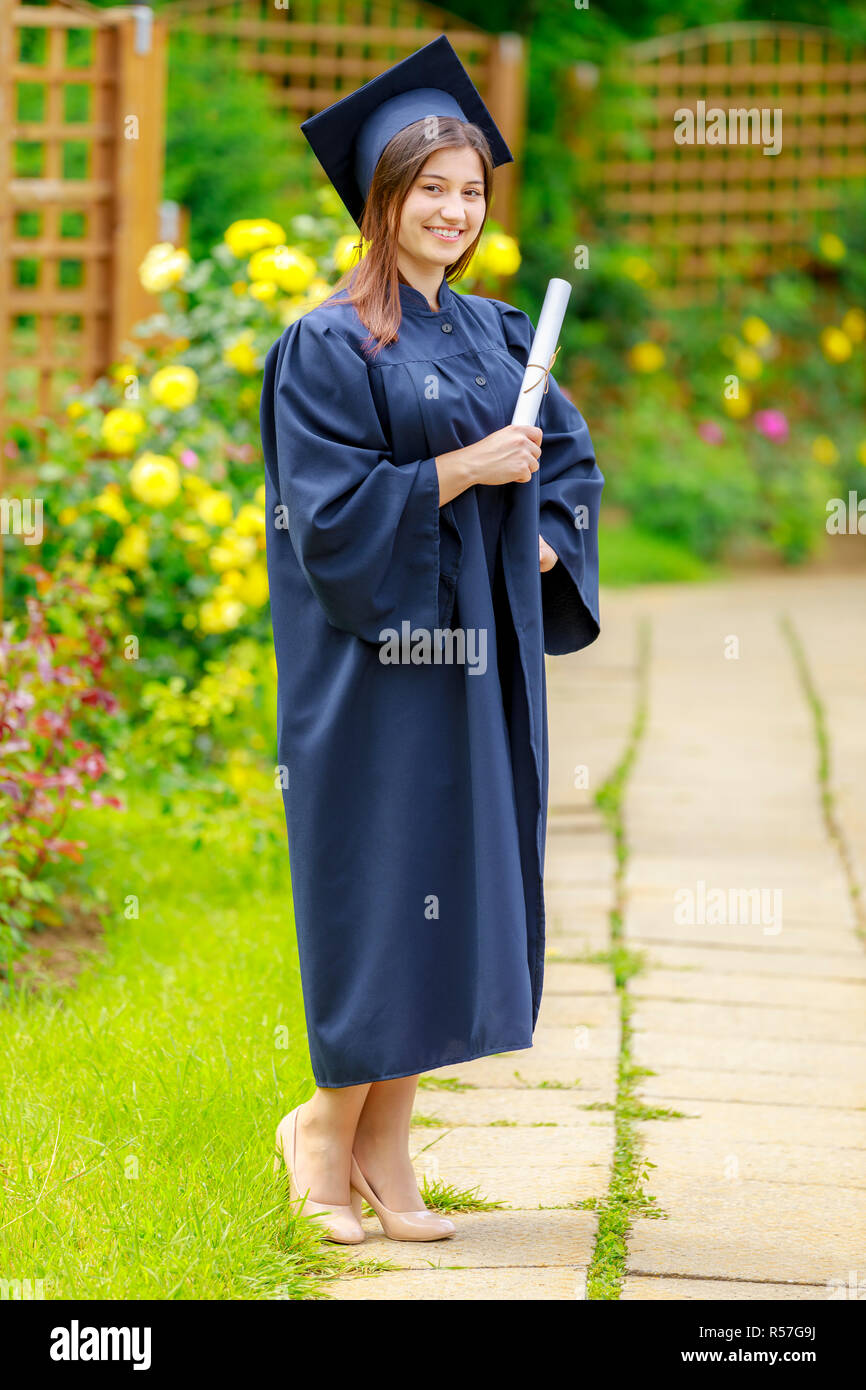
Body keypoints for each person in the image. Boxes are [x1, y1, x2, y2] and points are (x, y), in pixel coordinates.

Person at [260, 35, 603, 1245]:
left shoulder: (498, 332)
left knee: (444, 891)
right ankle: (321, 1129)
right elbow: (330, 516)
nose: (453, 210)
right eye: (430, 188)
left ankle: (387, 1149)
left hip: (475, 662)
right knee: (381, 878)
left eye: (469, 190)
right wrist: (461, 470)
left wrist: (547, 538)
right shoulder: (328, 344)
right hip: (372, 662)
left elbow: (564, 466)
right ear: (381, 200)